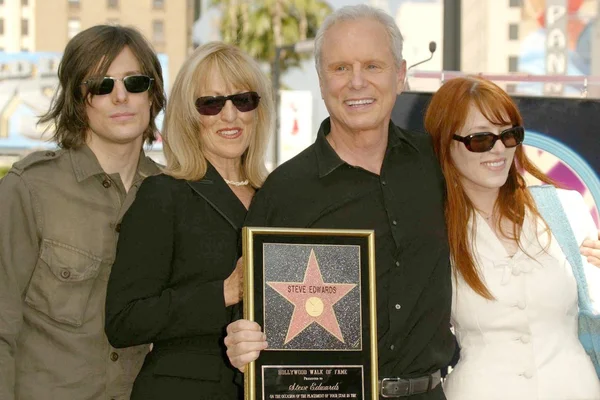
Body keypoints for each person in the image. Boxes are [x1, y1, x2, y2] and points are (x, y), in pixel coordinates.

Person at [224, 5, 454, 399]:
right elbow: (250, 321)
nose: (357, 82)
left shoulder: (440, 165)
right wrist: (240, 342)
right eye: (341, 68)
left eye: (373, 66)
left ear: (400, 75)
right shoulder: (285, 193)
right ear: (321, 79)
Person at [0, 25, 165, 400]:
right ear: (78, 99)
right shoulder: (29, 189)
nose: (120, 96)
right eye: (101, 85)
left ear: (153, 94)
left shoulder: (173, 194)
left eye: (135, 82)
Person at [104, 42, 274, 400]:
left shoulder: (280, 196)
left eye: (243, 100)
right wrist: (226, 291)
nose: (230, 116)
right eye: (211, 103)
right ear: (188, 115)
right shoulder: (163, 195)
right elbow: (124, 320)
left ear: (258, 110)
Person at [424, 75, 600, 400]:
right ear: (445, 145)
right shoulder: (432, 230)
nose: (498, 149)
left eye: (509, 135)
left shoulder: (566, 209)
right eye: (480, 139)